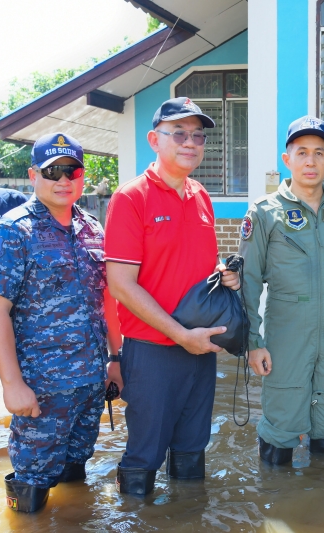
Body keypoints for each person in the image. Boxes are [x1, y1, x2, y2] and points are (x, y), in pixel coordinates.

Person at [105, 97, 240, 495]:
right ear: (154, 140)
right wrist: (179, 335)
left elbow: (195, 262)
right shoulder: (131, 198)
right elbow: (121, 285)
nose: (190, 142)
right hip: (152, 351)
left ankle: (188, 519)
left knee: (192, 451)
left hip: (200, 348)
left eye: (197, 135)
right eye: (178, 133)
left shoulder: (200, 195)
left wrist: (223, 275)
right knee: (143, 455)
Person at [0, 132, 121, 512]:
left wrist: (116, 359)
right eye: (52, 171)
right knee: (30, 494)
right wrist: (11, 385)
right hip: (42, 391)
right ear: (33, 175)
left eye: (71, 171)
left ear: (82, 175)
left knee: (76, 482)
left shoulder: (93, 228)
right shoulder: (12, 231)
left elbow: (107, 302)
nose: (63, 180)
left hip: (91, 385)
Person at [240, 116, 324, 465]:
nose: (310, 161)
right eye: (302, 153)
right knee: (282, 420)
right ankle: (276, 508)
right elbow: (249, 283)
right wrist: (253, 343)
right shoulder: (264, 212)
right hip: (287, 333)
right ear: (287, 160)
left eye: (319, 153)